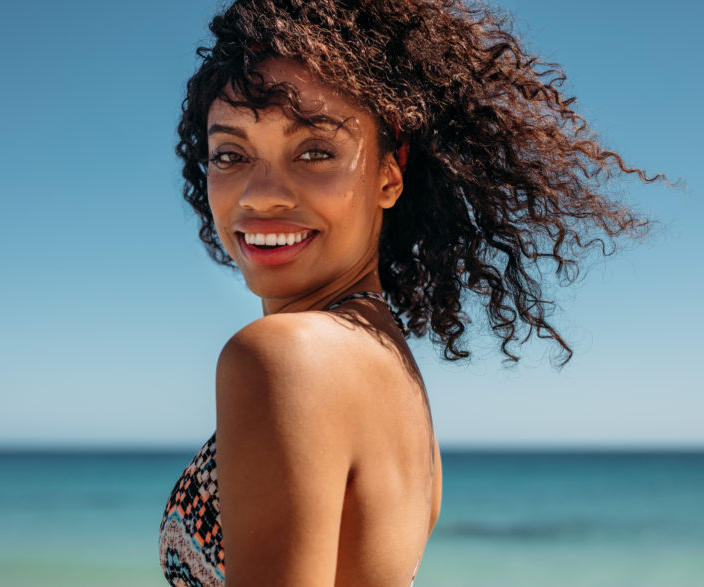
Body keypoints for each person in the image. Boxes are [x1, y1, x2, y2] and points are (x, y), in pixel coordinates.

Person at [158, 1, 663, 586]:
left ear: (389, 175)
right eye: (231, 155)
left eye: (315, 151)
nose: (261, 195)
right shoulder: (398, 384)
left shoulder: (283, 357)